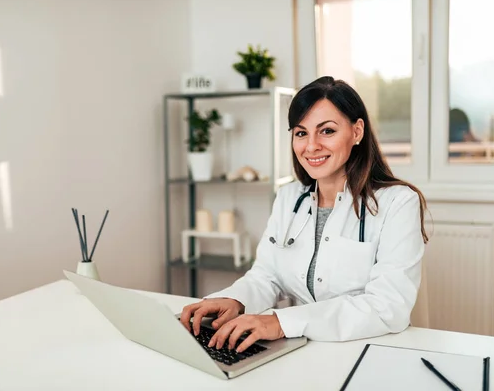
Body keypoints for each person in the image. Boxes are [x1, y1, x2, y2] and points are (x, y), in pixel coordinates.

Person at [179, 76, 429, 354]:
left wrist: (280, 322)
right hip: (302, 349)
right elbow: (266, 276)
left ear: (357, 132)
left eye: (327, 131)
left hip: (366, 350)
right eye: (301, 133)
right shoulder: (289, 198)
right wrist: (234, 299)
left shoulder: (398, 203)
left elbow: (388, 307)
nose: (311, 146)